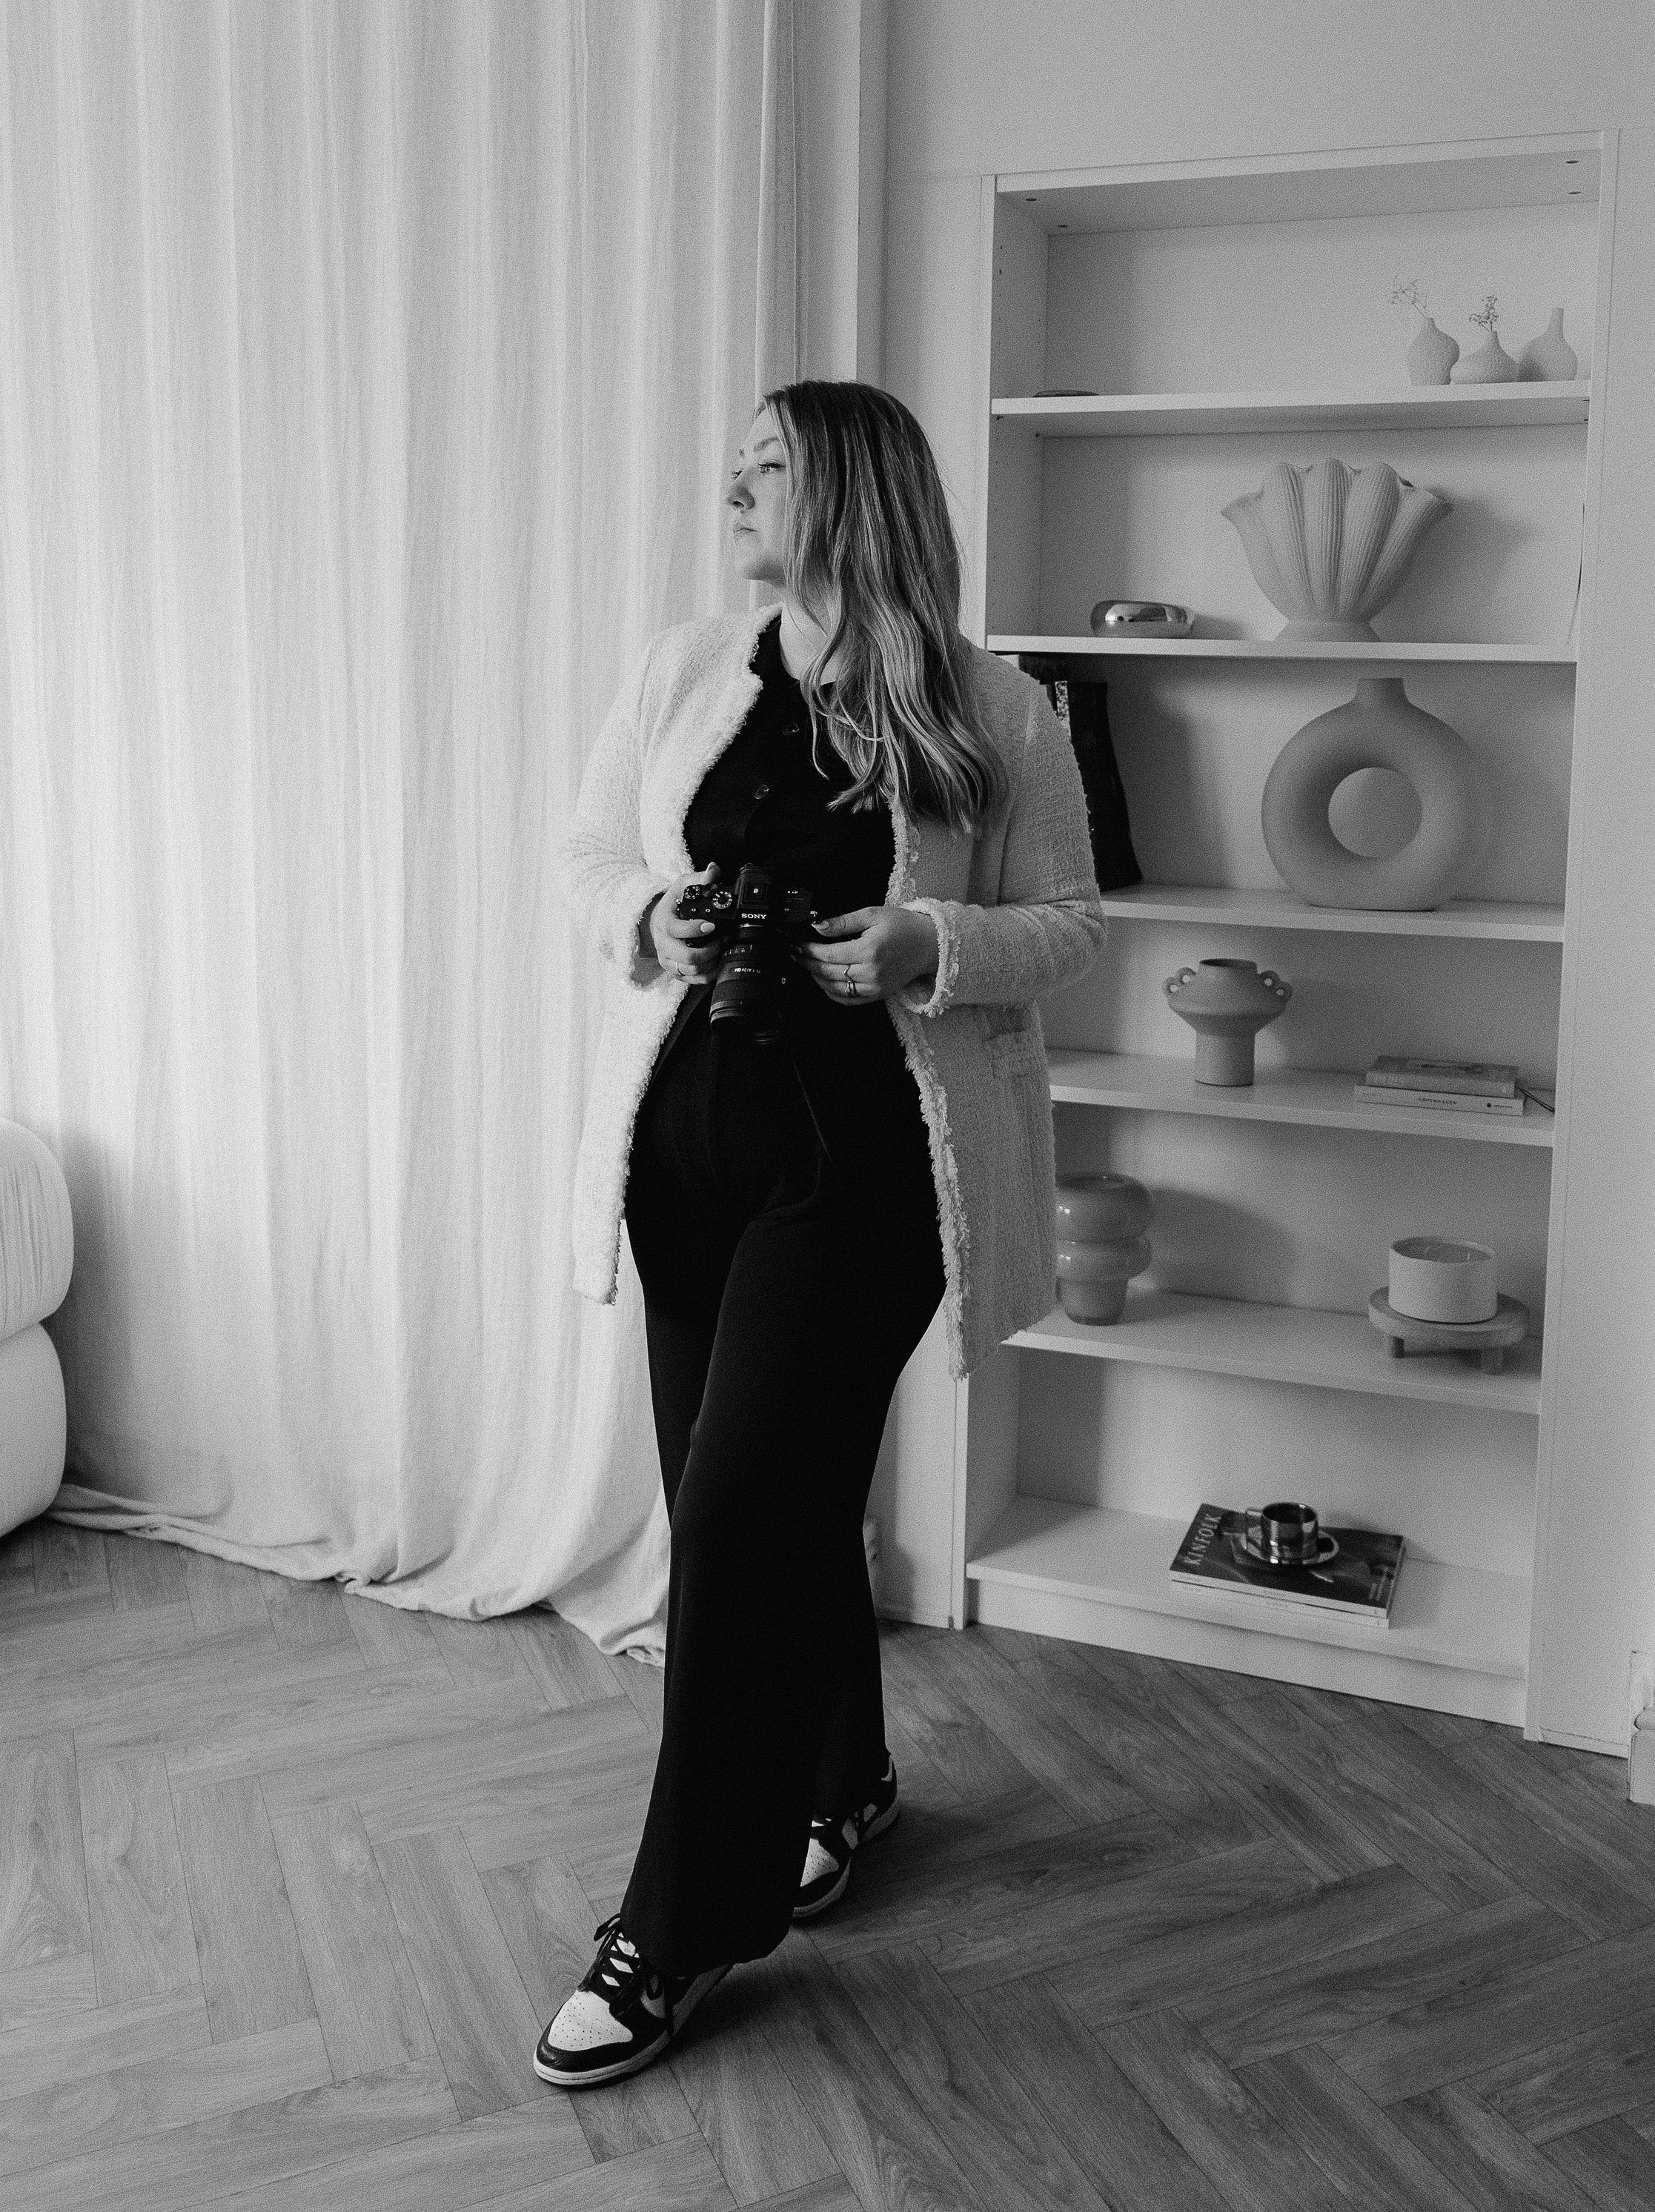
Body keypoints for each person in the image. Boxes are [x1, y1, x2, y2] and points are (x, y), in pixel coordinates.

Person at [538, 378, 1106, 2088]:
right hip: (686, 1156)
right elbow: (585, 857)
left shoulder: (992, 708)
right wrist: (655, 914)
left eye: (766, 464)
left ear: (851, 488)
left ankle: (683, 1921)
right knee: (757, 1508)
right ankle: (838, 1782)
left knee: (732, 1518)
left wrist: (930, 943)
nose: (733, 486)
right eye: (734, 464)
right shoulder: (682, 671)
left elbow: (1069, 922)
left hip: (865, 1167)